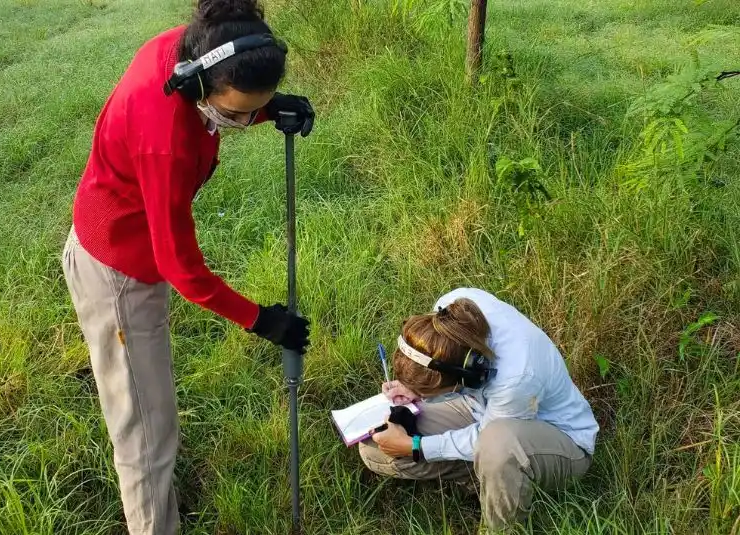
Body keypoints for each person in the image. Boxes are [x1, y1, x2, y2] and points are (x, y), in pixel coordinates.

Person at [61, 1, 313, 533]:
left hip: (125, 237)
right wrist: (261, 319)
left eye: (257, 110)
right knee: (147, 436)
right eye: (238, 113)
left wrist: (273, 107)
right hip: (119, 273)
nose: (246, 123)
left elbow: (231, 102)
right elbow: (181, 267)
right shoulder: (166, 141)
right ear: (199, 87)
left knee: (152, 415)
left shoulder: (195, 45)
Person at [359, 288, 599, 533]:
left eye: (429, 392)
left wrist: (417, 447)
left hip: (562, 443)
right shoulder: (448, 312)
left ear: (469, 375)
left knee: (497, 447)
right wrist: (415, 390)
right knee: (373, 445)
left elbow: (489, 435)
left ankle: (502, 522)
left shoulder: (517, 375)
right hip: (483, 412)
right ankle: (497, 479)